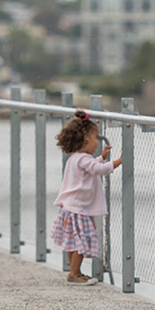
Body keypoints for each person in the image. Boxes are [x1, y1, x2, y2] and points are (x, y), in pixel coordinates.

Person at [50, 110, 122, 286]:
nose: (98, 142)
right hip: (78, 210)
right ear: (85, 140)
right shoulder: (83, 159)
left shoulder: (75, 158)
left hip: (70, 208)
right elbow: (99, 170)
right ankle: (74, 274)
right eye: (95, 138)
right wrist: (119, 161)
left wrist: (102, 157)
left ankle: (75, 271)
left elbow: (92, 167)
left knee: (72, 242)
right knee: (80, 242)